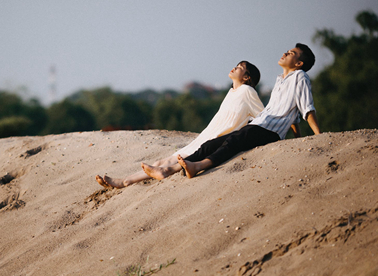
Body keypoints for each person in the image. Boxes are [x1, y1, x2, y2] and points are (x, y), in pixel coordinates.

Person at [143, 43, 322, 181]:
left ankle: (198, 166)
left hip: (270, 131)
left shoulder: (300, 77)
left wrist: (318, 136)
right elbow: (294, 115)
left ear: (299, 63)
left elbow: (306, 109)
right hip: (259, 124)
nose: (285, 53)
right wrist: (297, 138)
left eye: (291, 53)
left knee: (233, 141)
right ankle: (169, 170)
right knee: (211, 144)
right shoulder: (280, 80)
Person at [96, 61, 264, 188]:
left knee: (169, 161)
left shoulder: (248, 91)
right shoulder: (232, 92)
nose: (234, 68)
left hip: (216, 140)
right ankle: (124, 181)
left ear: (247, 77)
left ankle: (123, 182)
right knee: (163, 160)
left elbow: (263, 117)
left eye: (240, 67)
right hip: (206, 135)